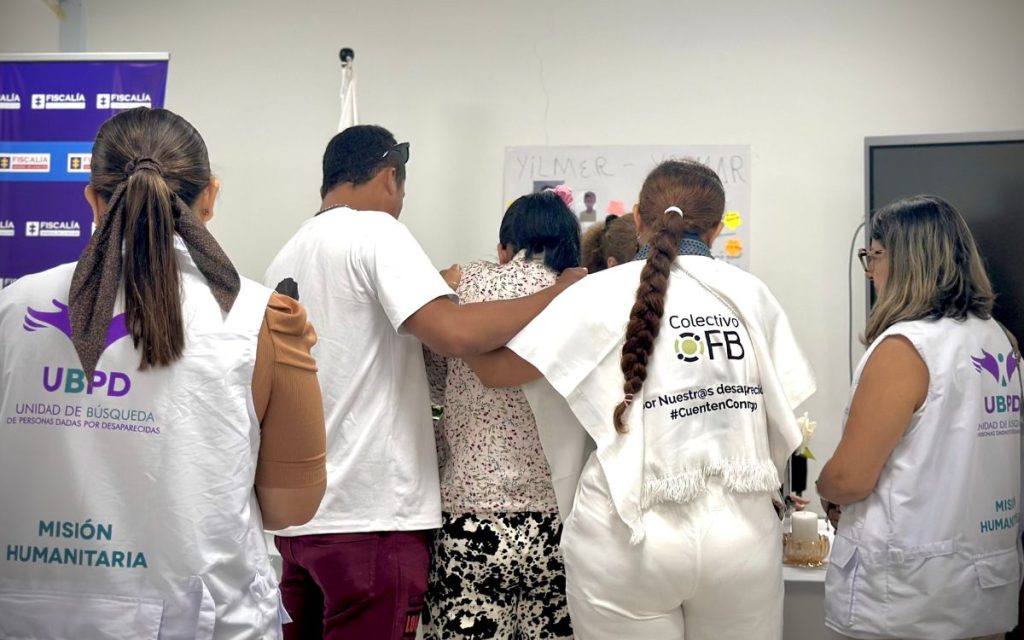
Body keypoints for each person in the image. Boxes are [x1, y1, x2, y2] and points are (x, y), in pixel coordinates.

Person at [0, 107, 327, 639]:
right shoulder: (261, 322)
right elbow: (293, 505)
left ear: (91, 198)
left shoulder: (13, 308)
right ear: (210, 197)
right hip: (202, 621)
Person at [466, 159, 815, 640]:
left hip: (625, 533)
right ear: (715, 228)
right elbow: (787, 407)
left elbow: (493, 369)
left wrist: (455, 300)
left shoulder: (595, 294)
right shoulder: (752, 295)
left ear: (636, 217)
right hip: (742, 537)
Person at [263, 125, 586, 640]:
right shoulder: (375, 231)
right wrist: (562, 291)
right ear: (390, 178)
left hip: (303, 521)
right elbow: (455, 334)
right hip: (371, 517)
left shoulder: (288, 253)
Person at [818, 195, 1022, 640]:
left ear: (911, 259)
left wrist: (825, 487)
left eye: (876, 255)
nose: (870, 270)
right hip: (984, 587)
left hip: (909, 597)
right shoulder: (1000, 341)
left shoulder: (905, 349)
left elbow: (851, 479)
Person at [422, 189, 580, 640]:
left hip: (470, 516)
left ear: (504, 248)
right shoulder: (580, 298)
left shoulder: (460, 285)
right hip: (556, 522)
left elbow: (435, 380)